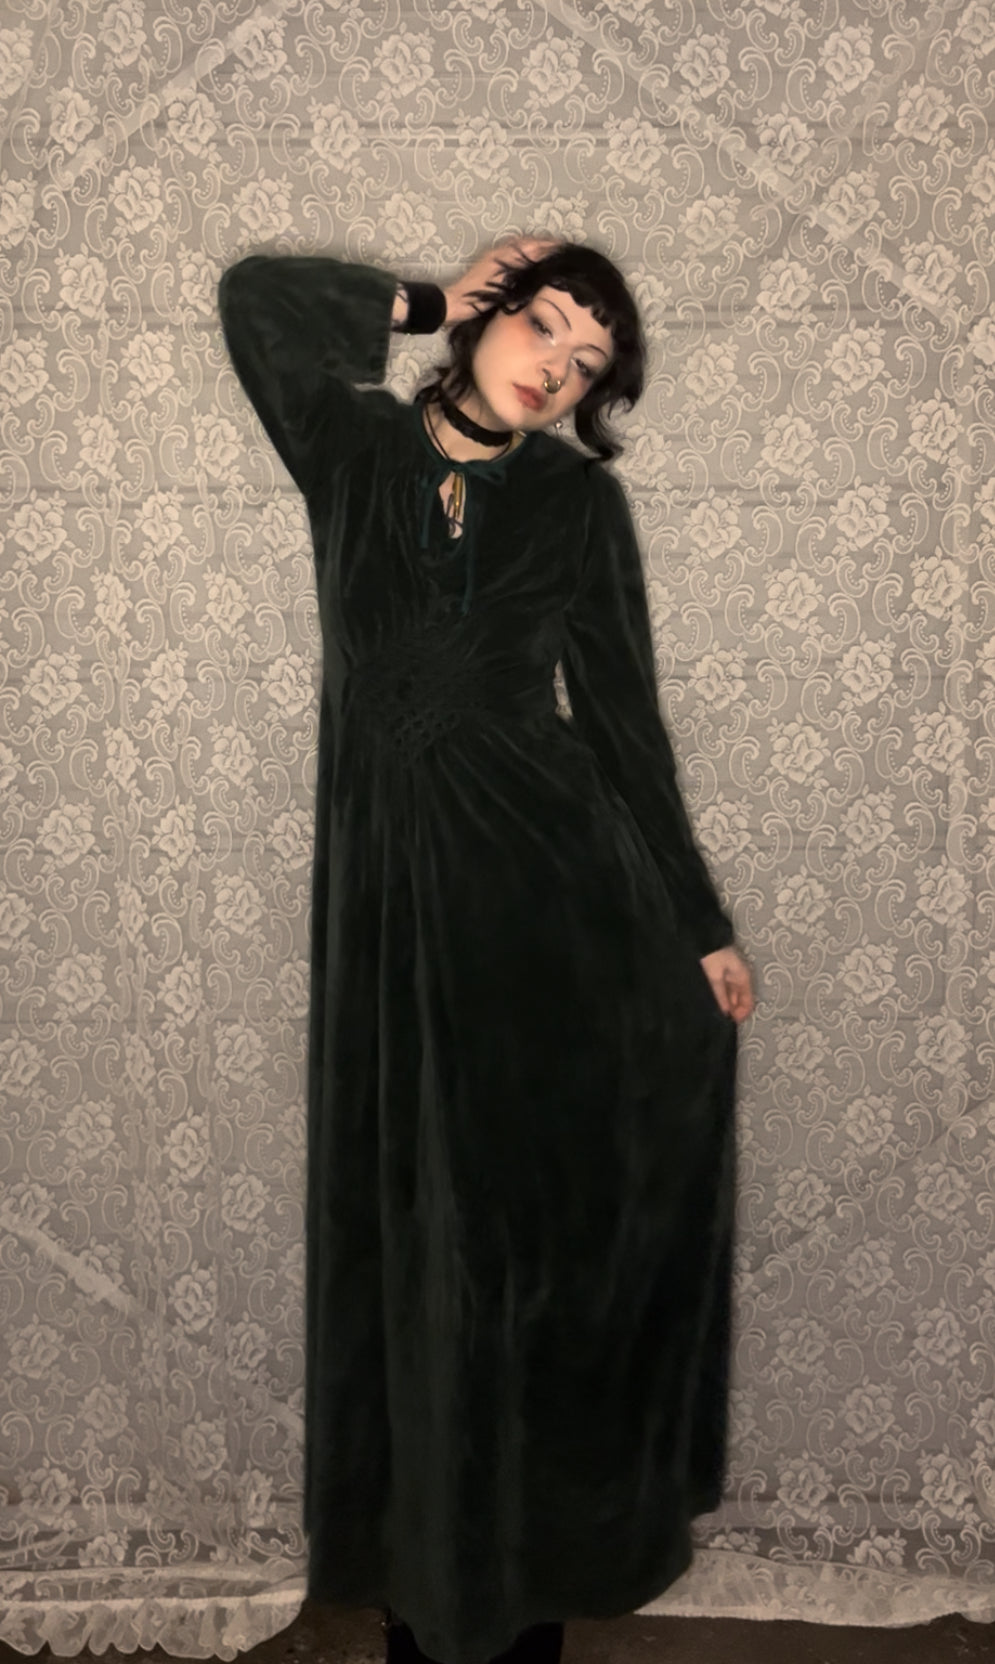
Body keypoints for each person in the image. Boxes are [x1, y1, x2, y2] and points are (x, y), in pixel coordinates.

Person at [217, 234, 754, 1664]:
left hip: (553, 913)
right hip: (397, 915)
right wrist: (422, 299)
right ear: (487, 318)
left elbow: (625, 728)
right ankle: (426, 1585)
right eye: (543, 328)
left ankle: (525, 1592)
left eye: (586, 365)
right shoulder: (349, 447)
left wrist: (698, 925)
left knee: (527, 1262)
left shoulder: (577, 505)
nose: (556, 370)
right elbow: (256, 300)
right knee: (416, 1254)